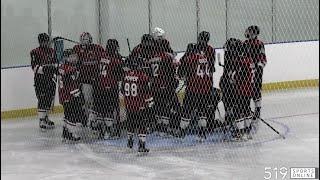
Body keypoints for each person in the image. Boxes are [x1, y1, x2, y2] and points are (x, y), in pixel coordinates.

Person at [177, 43, 215, 141]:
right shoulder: (206, 57)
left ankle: (181, 133)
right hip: (205, 89)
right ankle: (202, 134)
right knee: (202, 112)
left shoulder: (189, 58)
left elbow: (181, 74)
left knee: (186, 112)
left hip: (193, 90)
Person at [90, 39, 124, 139]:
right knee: (109, 110)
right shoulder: (115, 60)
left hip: (98, 86)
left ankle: (99, 130)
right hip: (109, 88)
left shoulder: (101, 56)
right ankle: (108, 131)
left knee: (100, 109)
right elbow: (120, 75)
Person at [122, 57, 153, 153]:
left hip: (128, 105)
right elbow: (145, 91)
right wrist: (150, 103)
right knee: (142, 125)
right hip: (140, 105)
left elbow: (122, 90)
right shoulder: (142, 76)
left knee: (131, 124)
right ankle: (141, 146)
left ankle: (129, 143)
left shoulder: (126, 75)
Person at [73, 32, 105, 120]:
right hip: (85, 79)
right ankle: (87, 117)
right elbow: (74, 62)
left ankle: (95, 117)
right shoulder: (77, 49)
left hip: (97, 79)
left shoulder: (98, 48)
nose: (84, 41)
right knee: (87, 100)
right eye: (82, 39)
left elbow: (104, 58)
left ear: (90, 40)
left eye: (86, 39)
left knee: (97, 99)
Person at [30, 33, 57, 130]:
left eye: (47, 41)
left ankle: (45, 118)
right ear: (40, 41)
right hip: (40, 81)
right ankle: (41, 120)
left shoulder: (52, 51)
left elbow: (55, 64)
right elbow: (34, 67)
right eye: (43, 41)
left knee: (49, 100)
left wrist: (54, 69)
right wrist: (47, 68)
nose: (46, 43)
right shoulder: (34, 52)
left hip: (50, 80)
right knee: (42, 99)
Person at [58, 49, 86, 141]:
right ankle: (71, 134)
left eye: (75, 56)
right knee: (72, 114)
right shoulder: (71, 69)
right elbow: (71, 85)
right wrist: (78, 95)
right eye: (72, 56)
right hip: (69, 96)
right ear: (66, 58)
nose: (74, 58)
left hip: (63, 95)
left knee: (67, 114)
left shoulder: (62, 67)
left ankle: (65, 133)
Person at [243, 25, 267, 120]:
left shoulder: (259, 44)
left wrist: (259, 67)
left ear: (253, 33)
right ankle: (247, 109)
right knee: (247, 89)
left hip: (256, 70)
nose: (247, 32)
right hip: (247, 70)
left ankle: (257, 110)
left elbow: (263, 57)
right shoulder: (244, 43)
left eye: (249, 31)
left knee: (256, 90)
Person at [232, 43, 255, 141]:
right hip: (249, 89)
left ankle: (241, 133)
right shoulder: (250, 60)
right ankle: (248, 131)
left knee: (238, 110)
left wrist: (233, 78)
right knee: (246, 109)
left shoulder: (240, 61)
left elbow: (240, 76)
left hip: (241, 89)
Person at [219, 38, 242, 127]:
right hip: (228, 82)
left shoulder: (232, 55)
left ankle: (230, 118)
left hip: (229, 82)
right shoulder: (232, 55)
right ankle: (230, 118)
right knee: (229, 101)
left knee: (230, 101)